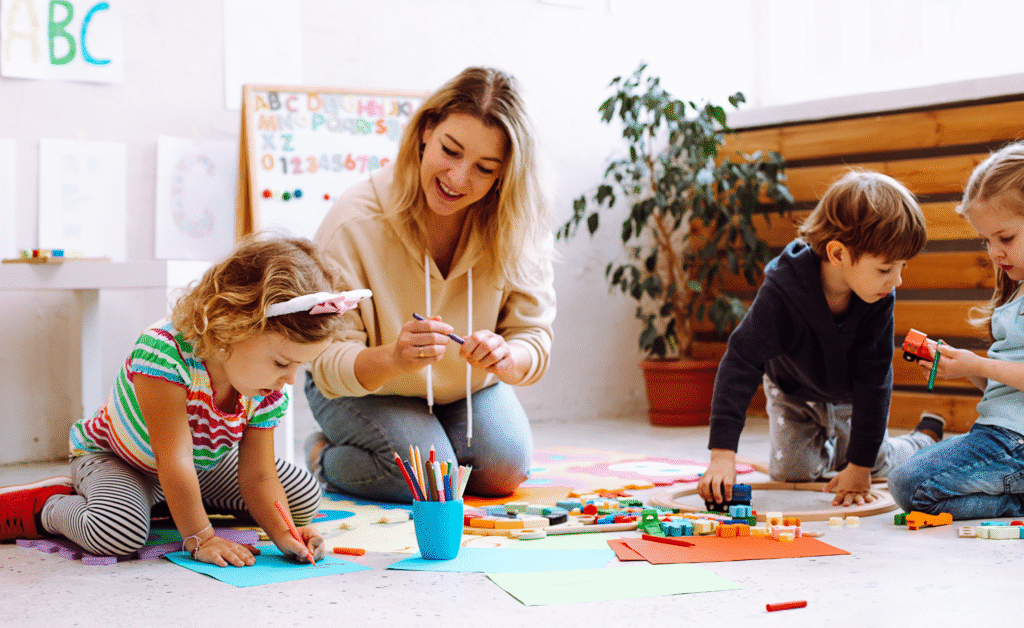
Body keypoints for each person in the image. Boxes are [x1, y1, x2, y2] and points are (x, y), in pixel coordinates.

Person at [0, 236, 366, 567]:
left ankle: (169, 506)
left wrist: (283, 533)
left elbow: (259, 474)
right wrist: (200, 537)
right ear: (231, 327)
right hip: (122, 460)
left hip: (199, 467)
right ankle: (48, 505)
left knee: (302, 496)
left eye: (300, 367)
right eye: (283, 363)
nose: (289, 380)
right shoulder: (164, 352)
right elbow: (172, 458)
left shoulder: (265, 387)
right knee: (116, 534)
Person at [303, 66, 556, 503]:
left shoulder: (516, 222)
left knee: (504, 471)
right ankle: (322, 456)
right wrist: (394, 357)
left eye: (485, 168)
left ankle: (427, 440)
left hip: (464, 388)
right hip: (361, 387)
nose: (458, 178)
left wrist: (508, 359)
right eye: (450, 150)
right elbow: (326, 361)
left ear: (504, 175)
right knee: (426, 481)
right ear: (425, 130)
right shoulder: (353, 221)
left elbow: (532, 337)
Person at [697, 170, 944, 508]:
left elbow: (875, 383)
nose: (897, 280)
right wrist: (722, 456)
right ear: (838, 253)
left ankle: (920, 440)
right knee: (791, 473)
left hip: (848, 397)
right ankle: (833, 452)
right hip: (792, 392)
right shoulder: (782, 291)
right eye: (886, 269)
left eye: (901, 267)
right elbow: (741, 362)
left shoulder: (878, 297)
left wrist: (859, 467)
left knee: (875, 462)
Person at [889, 142, 1024, 520]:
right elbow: (1006, 386)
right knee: (907, 479)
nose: (995, 251)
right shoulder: (1015, 291)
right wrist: (964, 368)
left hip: (1015, 441)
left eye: (1005, 238)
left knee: (908, 484)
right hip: (1000, 434)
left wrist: (978, 365)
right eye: (987, 240)